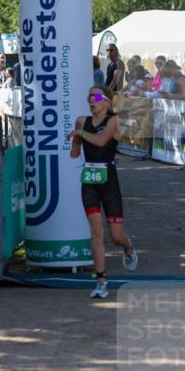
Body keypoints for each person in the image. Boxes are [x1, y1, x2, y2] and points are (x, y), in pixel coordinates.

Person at [65, 86, 139, 299]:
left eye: (96, 96)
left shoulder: (113, 121)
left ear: (107, 101)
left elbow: (99, 141)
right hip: (89, 180)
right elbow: (78, 141)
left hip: (109, 180)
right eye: (89, 96)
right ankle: (101, 281)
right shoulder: (81, 121)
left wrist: (79, 135)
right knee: (96, 230)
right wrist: (76, 146)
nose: (91, 99)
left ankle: (128, 248)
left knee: (116, 236)